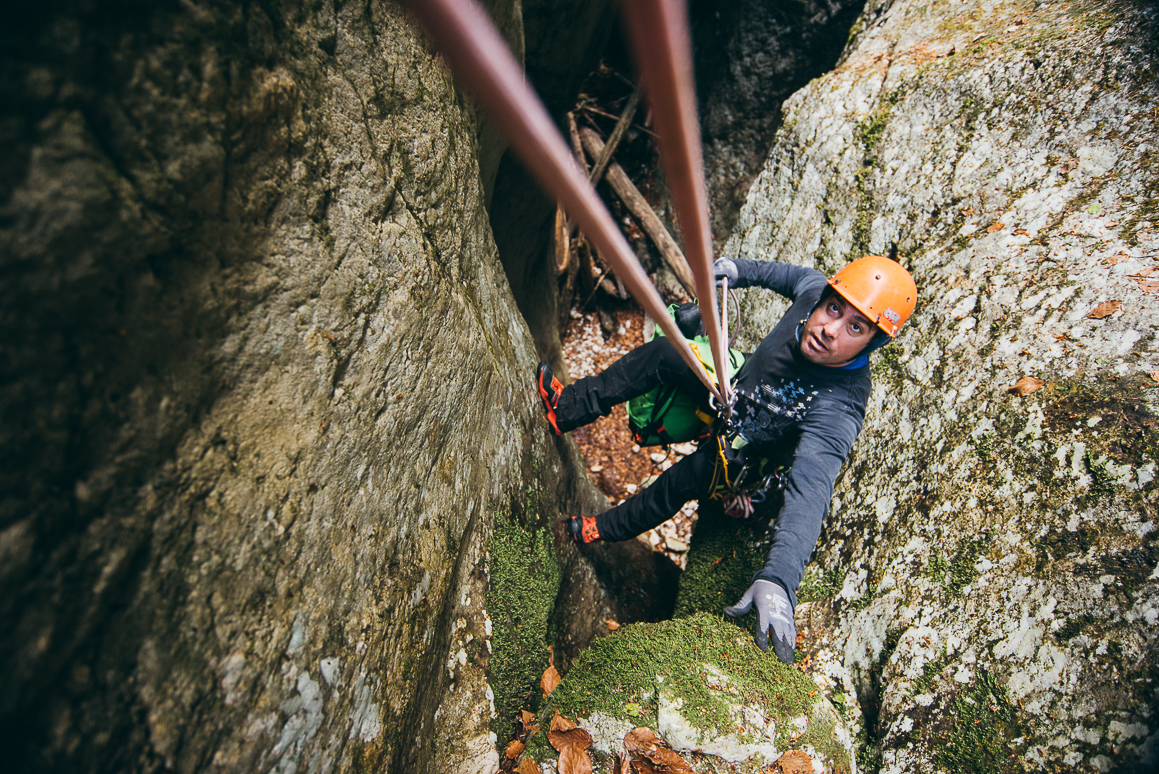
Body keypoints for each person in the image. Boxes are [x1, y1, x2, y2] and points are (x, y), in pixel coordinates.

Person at [537, 256, 917, 663]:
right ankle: (569, 408)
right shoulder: (813, 295)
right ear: (825, 298)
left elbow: (812, 486)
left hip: (743, 458)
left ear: (871, 343)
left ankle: (601, 529)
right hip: (729, 395)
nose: (830, 329)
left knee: (679, 483)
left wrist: (779, 580)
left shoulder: (840, 405)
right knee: (666, 353)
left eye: (855, 328)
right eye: (834, 309)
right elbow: (790, 275)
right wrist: (737, 270)